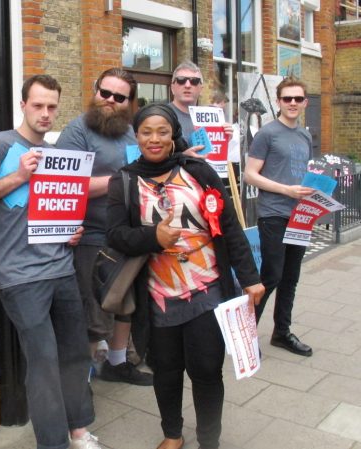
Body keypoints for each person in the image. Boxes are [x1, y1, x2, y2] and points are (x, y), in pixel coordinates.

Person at [106, 104, 264, 449]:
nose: (154, 139)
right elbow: (115, 235)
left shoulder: (199, 171)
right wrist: (153, 238)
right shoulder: (124, 180)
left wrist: (250, 277)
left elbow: (229, 227)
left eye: (162, 131)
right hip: (158, 296)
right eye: (146, 132)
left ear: (173, 134)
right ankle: (173, 435)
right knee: (165, 369)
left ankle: (209, 440)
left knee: (207, 369)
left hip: (207, 288)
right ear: (137, 135)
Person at [0, 74, 99, 449]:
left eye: (52, 107)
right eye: (38, 105)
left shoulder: (59, 154)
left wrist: (70, 230)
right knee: (42, 361)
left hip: (60, 267)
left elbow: (60, 211)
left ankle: (78, 430)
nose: (45, 113)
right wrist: (18, 176)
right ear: (23, 105)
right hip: (19, 275)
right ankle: (53, 443)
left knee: (75, 354)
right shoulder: (0, 144)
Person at [56, 68, 152, 386]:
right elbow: (65, 186)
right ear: (95, 90)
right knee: (92, 313)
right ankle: (80, 382)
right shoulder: (77, 131)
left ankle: (117, 363)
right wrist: (119, 180)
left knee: (124, 303)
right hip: (90, 235)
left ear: (129, 102)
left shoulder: (129, 132)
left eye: (118, 96)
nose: (109, 100)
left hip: (126, 233)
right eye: (104, 92)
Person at [243, 77, 314, 357]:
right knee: (271, 276)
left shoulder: (305, 135)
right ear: (279, 101)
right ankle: (246, 337)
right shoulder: (267, 134)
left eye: (298, 98)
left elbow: (303, 173)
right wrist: (286, 189)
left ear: (305, 102)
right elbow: (250, 174)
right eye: (287, 99)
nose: (293, 103)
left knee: (291, 277)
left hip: (300, 217)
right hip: (273, 214)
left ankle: (281, 333)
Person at [168, 61, 233, 148]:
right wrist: (184, 156)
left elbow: (213, 153)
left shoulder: (212, 117)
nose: (187, 85)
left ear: (201, 89)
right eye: (181, 80)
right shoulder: (161, 116)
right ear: (172, 88)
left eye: (194, 81)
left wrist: (224, 139)